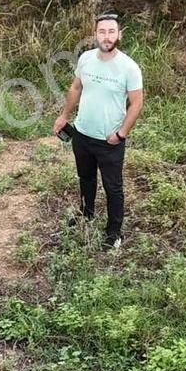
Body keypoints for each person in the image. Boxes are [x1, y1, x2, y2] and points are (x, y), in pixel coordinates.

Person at [51, 13, 143, 249]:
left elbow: (137, 104)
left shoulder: (129, 68)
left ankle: (114, 233)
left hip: (109, 140)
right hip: (82, 135)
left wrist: (121, 134)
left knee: (113, 187)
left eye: (112, 31)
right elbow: (75, 87)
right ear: (95, 34)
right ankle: (86, 213)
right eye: (102, 31)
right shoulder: (85, 59)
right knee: (86, 177)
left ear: (119, 34)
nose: (107, 36)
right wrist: (64, 116)